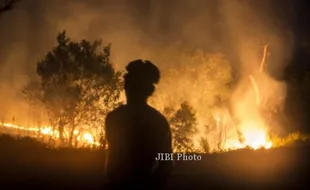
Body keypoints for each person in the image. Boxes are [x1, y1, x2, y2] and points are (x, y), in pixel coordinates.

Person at [104, 59, 173, 189]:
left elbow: (166, 163)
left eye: (130, 84)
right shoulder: (158, 121)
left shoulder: (114, 118)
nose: (127, 88)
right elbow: (166, 163)